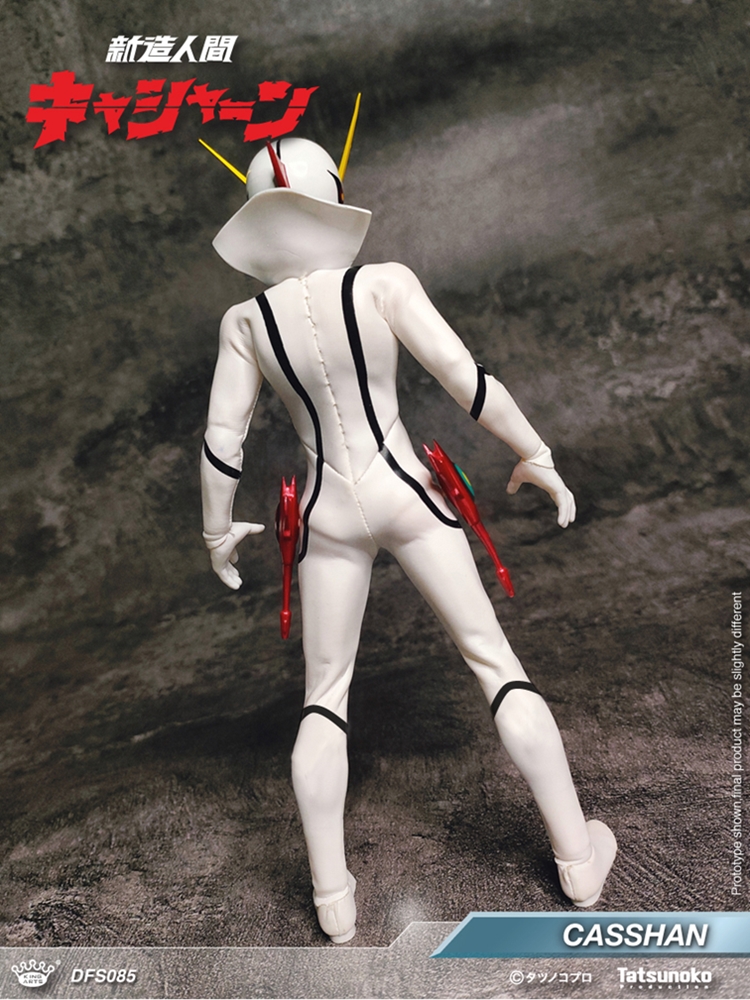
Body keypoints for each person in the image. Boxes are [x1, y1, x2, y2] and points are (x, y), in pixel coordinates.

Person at [200, 137, 616, 944]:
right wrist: (534, 451)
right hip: (406, 492)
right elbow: (466, 378)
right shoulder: (383, 283)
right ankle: (577, 859)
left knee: (325, 696)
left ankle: (333, 900)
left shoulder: (246, 322)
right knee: (494, 664)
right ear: (332, 198)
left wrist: (217, 529)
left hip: (325, 510)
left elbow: (224, 439)